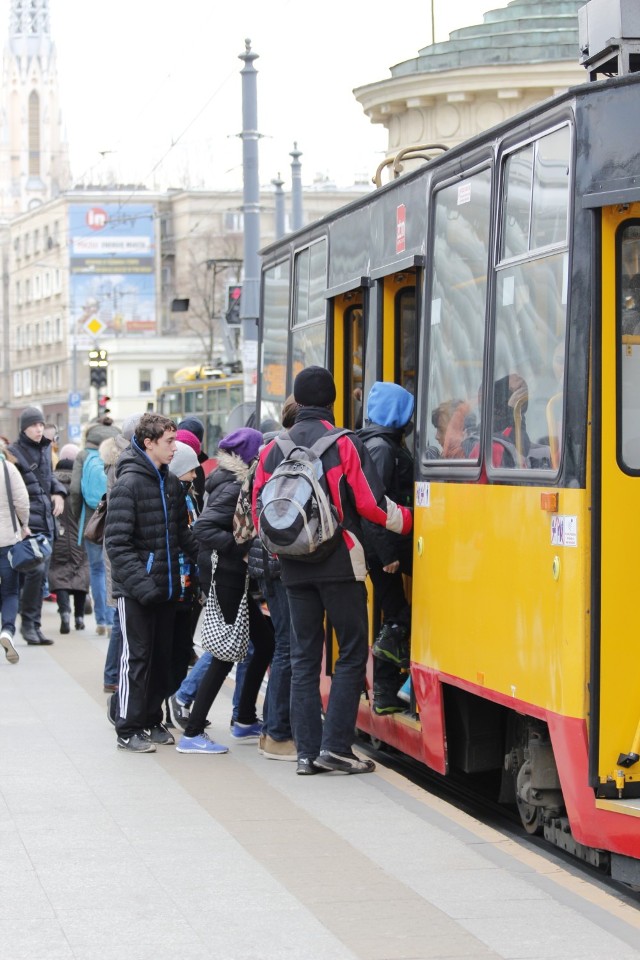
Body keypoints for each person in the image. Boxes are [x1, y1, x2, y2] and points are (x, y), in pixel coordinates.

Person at [253, 365, 413, 775]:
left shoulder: (273, 447)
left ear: (298, 400)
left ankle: (307, 753)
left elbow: (259, 510)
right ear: (332, 401)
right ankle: (337, 748)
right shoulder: (344, 444)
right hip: (339, 562)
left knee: (305, 657)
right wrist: (411, 520)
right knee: (352, 651)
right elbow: (372, 505)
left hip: (293, 565)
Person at [176, 427, 274, 755]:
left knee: (265, 642)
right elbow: (203, 527)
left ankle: (244, 718)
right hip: (228, 575)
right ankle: (192, 732)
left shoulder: (226, 479)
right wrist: (241, 550)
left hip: (231, 576)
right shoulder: (235, 486)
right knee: (223, 654)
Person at [104, 413, 199, 753]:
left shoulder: (170, 483)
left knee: (162, 659)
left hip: (168, 589)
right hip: (138, 592)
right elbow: (117, 543)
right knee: (137, 659)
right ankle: (127, 728)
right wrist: (143, 586)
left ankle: (151, 719)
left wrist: (206, 561)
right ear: (149, 443)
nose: (176, 448)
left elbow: (181, 534)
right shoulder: (128, 483)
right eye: (170, 442)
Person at [358, 381, 415, 715]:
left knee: (394, 614)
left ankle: (386, 693)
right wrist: (387, 554)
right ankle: (384, 690)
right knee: (397, 616)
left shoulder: (380, 442)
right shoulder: (381, 447)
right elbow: (372, 507)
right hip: (386, 548)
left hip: (387, 546)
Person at [250, 394, 300, 761]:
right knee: (288, 645)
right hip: (284, 560)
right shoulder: (290, 452)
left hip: (267, 558)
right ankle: (278, 733)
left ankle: (271, 731)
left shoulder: (266, 453)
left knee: (284, 644)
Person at [9, 406, 66, 645]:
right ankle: (28, 625)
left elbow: (49, 478)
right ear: (24, 427)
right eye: (34, 425)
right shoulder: (13, 453)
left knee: (39, 576)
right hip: (28, 524)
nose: (39, 428)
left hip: (46, 520)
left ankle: (34, 625)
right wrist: (21, 523)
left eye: (41, 424)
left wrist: (59, 493)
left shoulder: (44, 449)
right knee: (35, 572)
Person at [100, 413, 142, 694]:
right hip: (120, 545)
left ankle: (112, 674)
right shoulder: (124, 465)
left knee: (120, 614)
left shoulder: (119, 461)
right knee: (120, 615)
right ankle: (113, 675)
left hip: (115, 543)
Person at [70, 417, 121, 636]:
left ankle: (102, 622)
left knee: (97, 569)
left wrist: (78, 515)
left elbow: (73, 489)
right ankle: (114, 618)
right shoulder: (118, 451)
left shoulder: (83, 455)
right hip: (116, 516)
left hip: (92, 519)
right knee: (114, 569)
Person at [49, 444, 90, 634]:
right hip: (79, 537)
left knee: (60, 573)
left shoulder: (51, 487)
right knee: (80, 574)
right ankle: (79, 617)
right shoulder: (79, 485)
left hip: (58, 536)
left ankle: (64, 613)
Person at [0, 438, 30, 663]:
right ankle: (7, 631)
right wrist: (24, 524)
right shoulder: (8, 469)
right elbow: (22, 502)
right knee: (10, 591)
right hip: (7, 540)